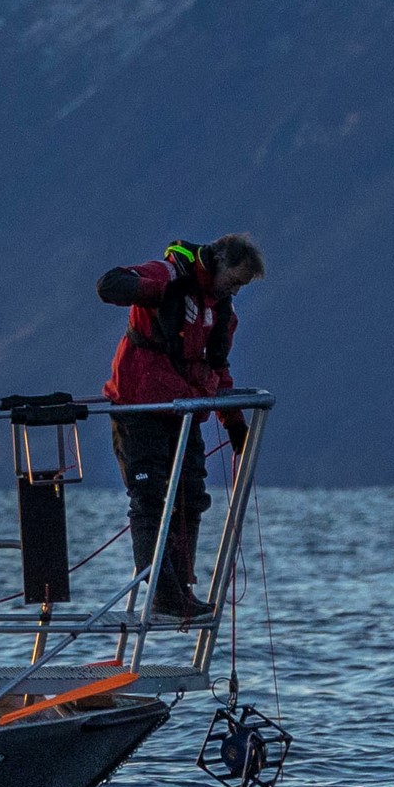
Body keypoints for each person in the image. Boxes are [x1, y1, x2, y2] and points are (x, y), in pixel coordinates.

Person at [95, 233, 266, 620]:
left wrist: (234, 423)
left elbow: (217, 369)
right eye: (235, 280)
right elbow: (109, 285)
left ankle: (181, 591)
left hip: (185, 416)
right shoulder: (168, 273)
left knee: (190, 498)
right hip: (140, 411)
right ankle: (161, 593)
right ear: (220, 261)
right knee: (150, 502)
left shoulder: (222, 312)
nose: (235, 290)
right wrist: (158, 291)